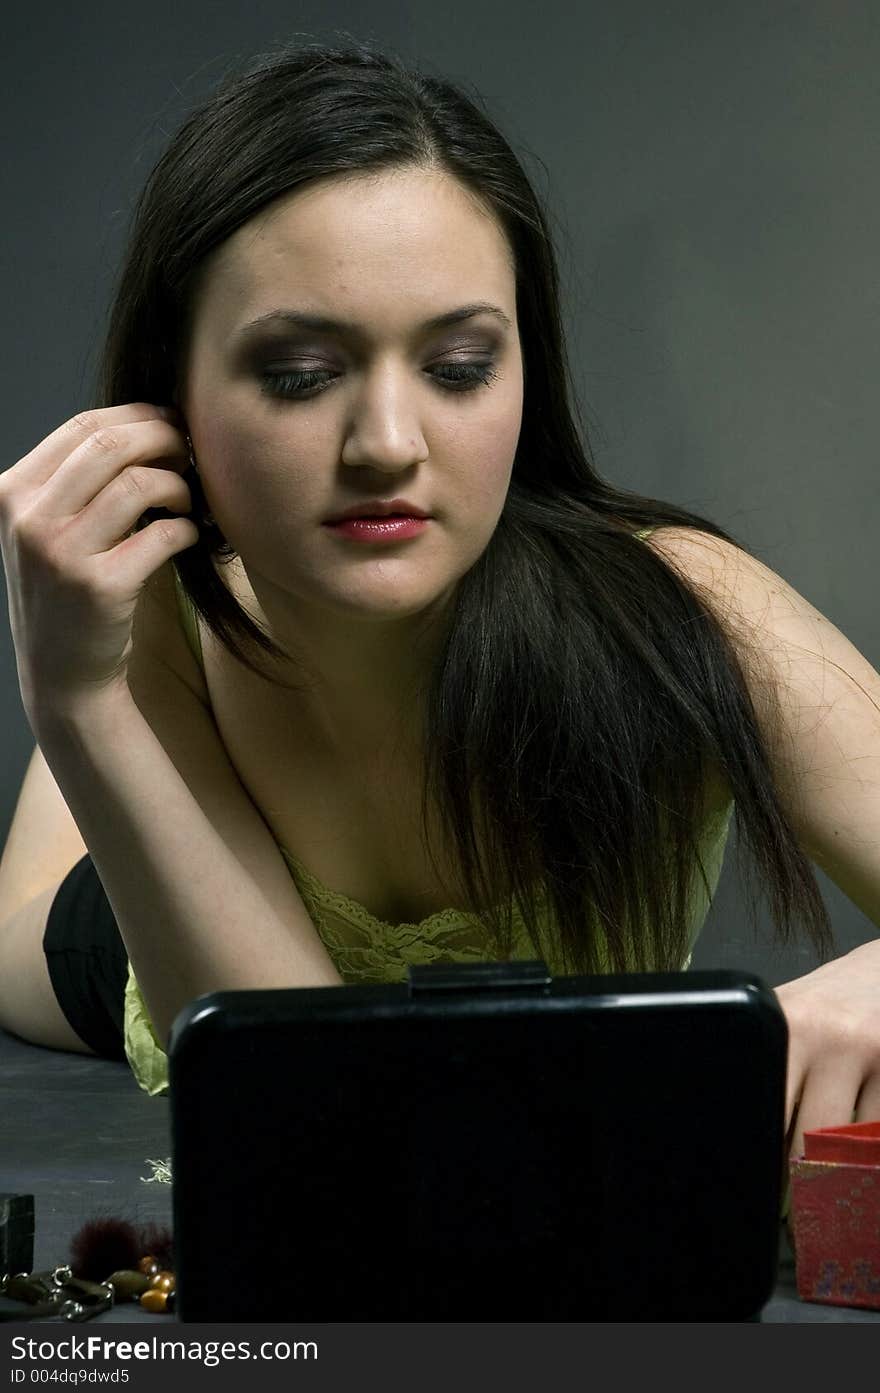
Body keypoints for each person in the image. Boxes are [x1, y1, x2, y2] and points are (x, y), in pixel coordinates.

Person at [0, 39, 877, 1180]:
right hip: (114, 933)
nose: (388, 446)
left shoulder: (685, 609)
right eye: (301, 374)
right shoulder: (164, 624)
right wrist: (74, 700)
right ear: (175, 393)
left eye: (459, 365)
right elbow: (311, 1109)